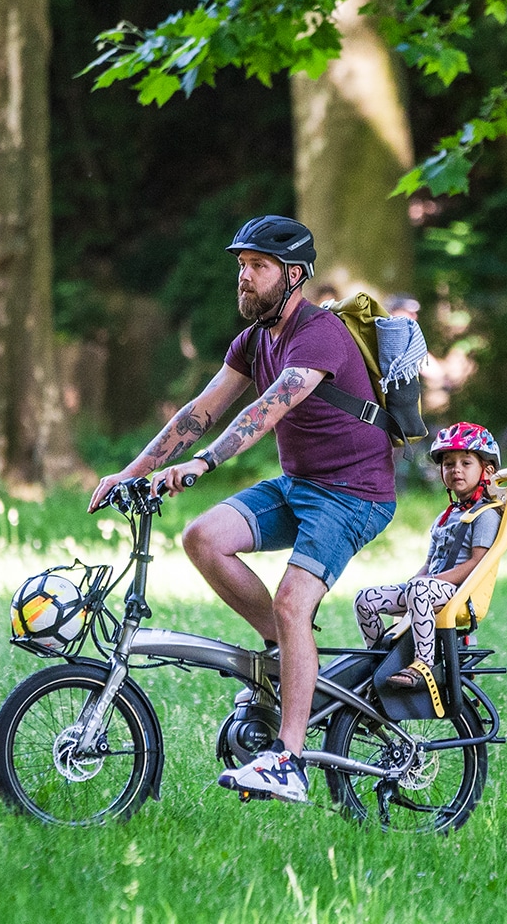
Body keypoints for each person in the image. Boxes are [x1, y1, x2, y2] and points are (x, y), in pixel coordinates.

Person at [90, 214, 397, 804]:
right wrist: (131, 473)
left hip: (354, 494)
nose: (245, 278)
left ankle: (290, 759)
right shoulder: (255, 340)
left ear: (295, 276)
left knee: (292, 600)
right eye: (241, 267)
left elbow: (266, 412)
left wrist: (202, 464)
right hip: (300, 483)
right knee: (203, 537)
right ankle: (287, 653)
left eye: (259, 267)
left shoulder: (320, 335)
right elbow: (202, 410)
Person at [352, 423, 501, 694]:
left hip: (460, 594)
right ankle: (380, 660)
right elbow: (429, 563)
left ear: (487, 471)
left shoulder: (486, 515)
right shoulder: (445, 518)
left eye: (466, 462)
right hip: (431, 588)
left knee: (420, 589)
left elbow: (477, 564)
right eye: (448, 464)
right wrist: (415, 582)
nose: (456, 469)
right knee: (365, 599)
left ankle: (422, 664)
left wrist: (427, 583)